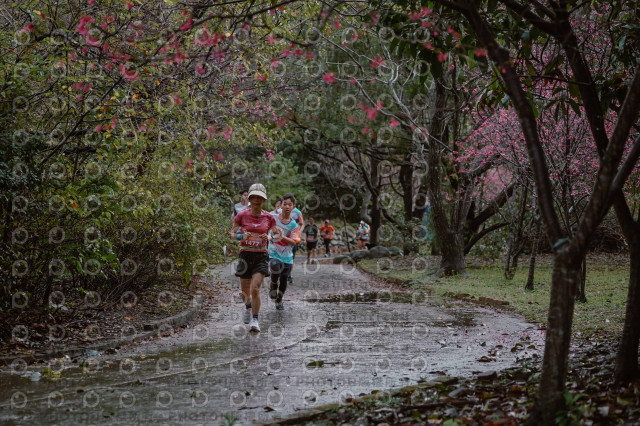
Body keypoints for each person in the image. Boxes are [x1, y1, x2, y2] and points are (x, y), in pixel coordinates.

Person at [229, 183, 280, 333]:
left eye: (260, 197)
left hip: (261, 255)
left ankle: (255, 320)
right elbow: (232, 233)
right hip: (245, 255)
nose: (256, 200)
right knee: (245, 292)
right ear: (249, 199)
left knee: (255, 288)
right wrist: (241, 236)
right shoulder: (241, 215)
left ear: (264, 200)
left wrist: (269, 237)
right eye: (254, 197)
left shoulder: (269, 217)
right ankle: (248, 307)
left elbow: (277, 234)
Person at [268, 193, 301, 310]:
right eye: (285, 204)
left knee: (284, 280)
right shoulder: (273, 217)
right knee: (275, 268)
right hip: (273, 251)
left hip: (287, 255)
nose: (287, 206)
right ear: (281, 206)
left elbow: (293, 242)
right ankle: (273, 284)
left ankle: (279, 300)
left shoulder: (293, 225)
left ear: (293, 207)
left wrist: (282, 237)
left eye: (289, 205)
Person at [286, 204, 305, 284]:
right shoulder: (284, 210)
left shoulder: (298, 212)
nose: (288, 205)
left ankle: (289, 274)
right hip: (284, 237)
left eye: (290, 203)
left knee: (291, 257)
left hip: (294, 238)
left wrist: (299, 232)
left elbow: (302, 224)